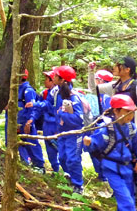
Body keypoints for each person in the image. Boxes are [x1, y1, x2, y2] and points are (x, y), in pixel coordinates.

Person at [88, 58, 137, 210]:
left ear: (127, 69)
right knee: (132, 170)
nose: (114, 67)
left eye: (118, 65)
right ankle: (134, 205)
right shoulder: (116, 86)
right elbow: (93, 89)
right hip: (123, 135)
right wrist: (91, 72)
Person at [83, 95, 137, 211]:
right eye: (127, 112)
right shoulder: (105, 128)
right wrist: (88, 143)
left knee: (130, 198)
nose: (130, 116)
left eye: (132, 112)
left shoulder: (131, 128)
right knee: (126, 202)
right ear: (116, 111)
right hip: (111, 168)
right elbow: (95, 145)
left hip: (128, 168)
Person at [53, 65, 85, 194]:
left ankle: (78, 185)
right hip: (63, 132)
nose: (53, 77)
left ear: (62, 80)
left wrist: (62, 114)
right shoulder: (59, 93)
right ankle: (70, 177)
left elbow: (78, 118)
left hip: (74, 133)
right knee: (62, 158)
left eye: (56, 75)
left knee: (73, 159)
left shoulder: (74, 97)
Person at [30, 69, 59, 173]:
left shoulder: (59, 93)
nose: (44, 81)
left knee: (59, 146)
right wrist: (32, 119)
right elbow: (38, 109)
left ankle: (66, 172)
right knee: (50, 148)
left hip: (57, 123)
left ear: (52, 80)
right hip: (47, 123)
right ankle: (56, 170)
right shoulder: (44, 93)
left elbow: (49, 106)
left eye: (46, 79)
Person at [18, 73, 45, 172]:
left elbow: (33, 108)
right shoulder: (17, 89)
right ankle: (25, 163)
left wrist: (30, 121)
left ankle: (39, 165)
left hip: (26, 122)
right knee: (21, 144)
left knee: (32, 143)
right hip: (18, 121)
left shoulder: (28, 90)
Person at [91, 69, 114, 182]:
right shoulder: (100, 95)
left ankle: (104, 175)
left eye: (96, 79)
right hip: (99, 125)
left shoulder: (107, 96)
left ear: (101, 81)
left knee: (99, 149)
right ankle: (102, 174)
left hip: (104, 127)